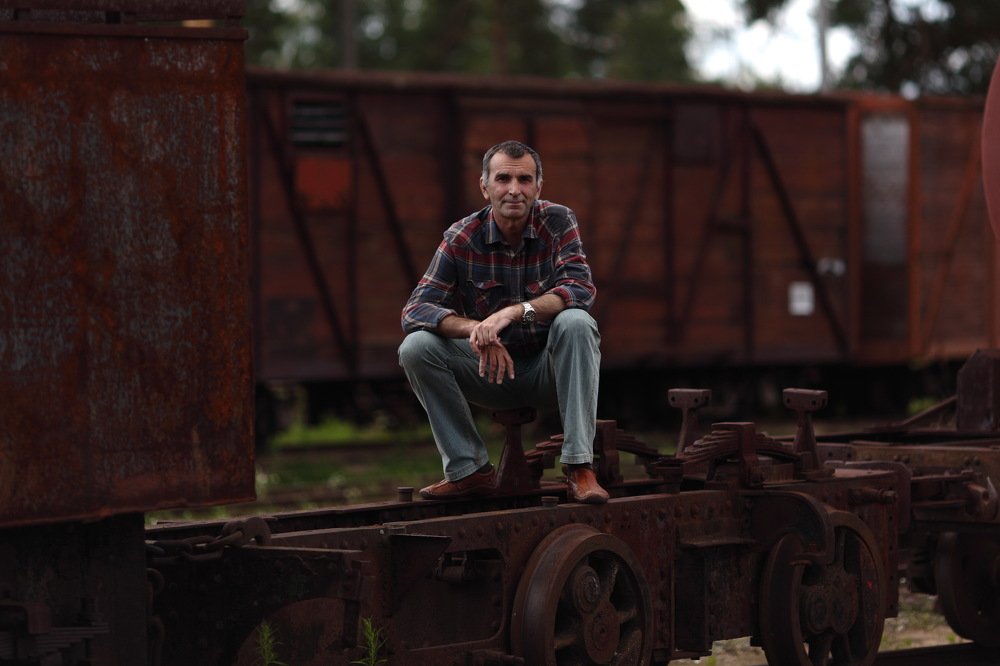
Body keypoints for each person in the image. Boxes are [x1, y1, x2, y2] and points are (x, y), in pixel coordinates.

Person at [398, 139, 608, 504]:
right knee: (415, 347)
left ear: (538, 187)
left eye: (524, 180)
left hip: (550, 371)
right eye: (503, 179)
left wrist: (512, 312)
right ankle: (469, 470)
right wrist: (478, 329)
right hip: (488, 371)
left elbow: (580, 288)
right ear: (485, 187)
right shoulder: (462, 237)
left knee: (576, 321)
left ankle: (579, 466)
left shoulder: (558, 221)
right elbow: (415, 309)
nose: (514, 190)